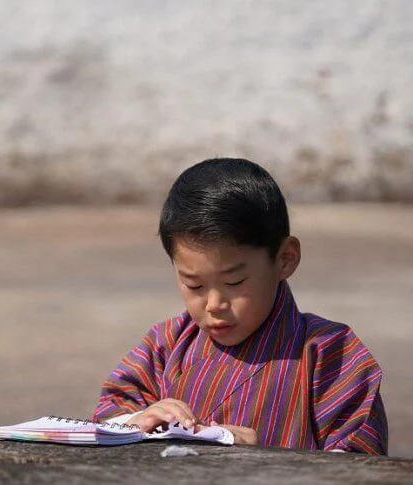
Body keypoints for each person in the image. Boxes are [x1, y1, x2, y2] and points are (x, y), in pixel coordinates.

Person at [93, 158, 388, 454]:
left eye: (234, 283)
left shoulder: (332, 354)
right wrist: (139, 421)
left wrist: (264, 459)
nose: (214, 304)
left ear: (284, 259)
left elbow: (358, 464)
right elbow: (106, 418)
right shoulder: (166, 344)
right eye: (194, 285)